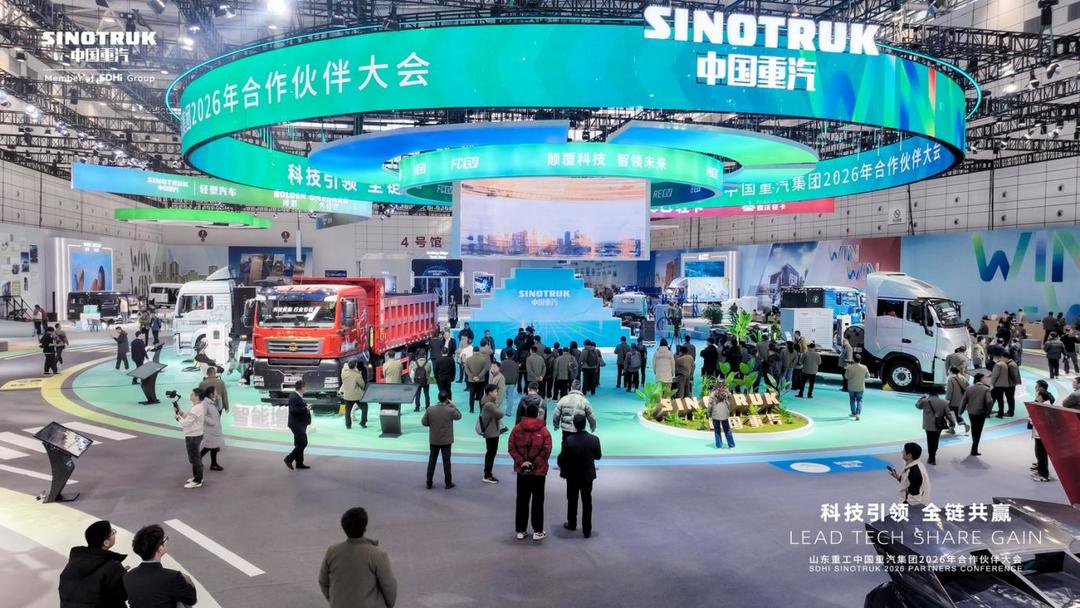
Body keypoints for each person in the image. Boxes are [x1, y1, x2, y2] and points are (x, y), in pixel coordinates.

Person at [319, 507, 397, 608]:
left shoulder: (332, 552)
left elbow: (323, 581)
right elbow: (389, 586)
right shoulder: (377, 554)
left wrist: (335, 601)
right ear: (365, 528)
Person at [123, 524, 197, 608]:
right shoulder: (173, 577)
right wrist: (186, 579)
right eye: (165, 539)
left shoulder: (128, 576)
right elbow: (191, 600)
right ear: (160, 549)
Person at [508, 403, 552, 541]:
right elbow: (546, 450)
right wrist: (535, 464)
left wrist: (522, 462)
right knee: (538, 501)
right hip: (539, 473)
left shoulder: (516, 429)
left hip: (522, 472)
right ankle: (538, 531)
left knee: (522, 500)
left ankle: (521, 530)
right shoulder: (544, 431)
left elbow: (511, 447)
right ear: (537, 414)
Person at [59, 520, 128, 608]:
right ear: (106, 543)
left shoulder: (73, 563)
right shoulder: (112, 565)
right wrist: (124, 576)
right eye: (113, 532)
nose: (115, 534)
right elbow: (123, 595)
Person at [558, 414, 602, 539]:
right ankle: (587, 529)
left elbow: (562, 458)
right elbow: (598, 456)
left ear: (574, 424)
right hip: (587, 475)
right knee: (587, 501)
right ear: (585, 424)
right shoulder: (594, 439)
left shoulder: (569, 440)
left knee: (572, 500)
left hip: (572, 475)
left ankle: (572, 523)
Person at [421, 390, 461, 489]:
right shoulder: (450, 410)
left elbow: (424, 422)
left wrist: (432, 425)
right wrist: (454, 406)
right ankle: (448, 483)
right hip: (446, 441)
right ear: (447, 399)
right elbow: (459, 416)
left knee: (432, 461)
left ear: (438, 398)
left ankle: (429, 482)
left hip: (434, 440)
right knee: (446, 462)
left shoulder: (430, 409)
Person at [176, 387, 208, 488]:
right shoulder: (196, 406)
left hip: (193, 436)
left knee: (195, 458)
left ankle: (197, 481)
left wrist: (178, 419)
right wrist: (181, 413)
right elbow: (189, 417)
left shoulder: (197, 408)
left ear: (197, 396)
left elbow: (186, 423)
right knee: (195, 457)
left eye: (192, 394)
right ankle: (197, 477)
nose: (191, 395)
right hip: (194, 434)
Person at [962, 372, 994, 456]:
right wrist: (988, 410)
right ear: (981, 379)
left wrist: (960, 411)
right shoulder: (986, 389)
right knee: (978, 430)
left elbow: (964, 400)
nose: (986, 379)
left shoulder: (969, 388)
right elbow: (989, 401)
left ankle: (974, 446)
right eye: (985, 378)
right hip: (981, 412)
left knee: (974, 428)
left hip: (971, 412)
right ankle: (974, 448)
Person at [479, 383, 505, 484]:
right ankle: (487, 475)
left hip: (490, 431)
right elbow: (500, 414)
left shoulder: (485, 400)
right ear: (490, 392)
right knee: (491, 453)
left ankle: (487, 474)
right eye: (495, 391)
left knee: (490, 453)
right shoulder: (489, 405)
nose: (497, 393)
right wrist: (497, 407)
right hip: (492, 432)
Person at [1031, 379, 1055, 482]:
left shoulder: (1045, 405)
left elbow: (1042, 419)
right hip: (1038, 432)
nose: (1036, 398)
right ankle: (1041, 470)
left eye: (1038, 396)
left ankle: (1044, 475)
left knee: (1041, 453)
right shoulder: (1043, 403)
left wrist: (1032, 419)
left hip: (1042, 433)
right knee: (1039, 452)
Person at [284, 380, 312, 470]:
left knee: (298, 443)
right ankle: (289, 459)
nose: (306, 389)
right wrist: (306, 409)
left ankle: (299, 463)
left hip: (300, 423)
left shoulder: (298, 396)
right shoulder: (294, 397)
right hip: (296, 424)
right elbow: (293, 410)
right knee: (303, 443)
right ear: (302, 388)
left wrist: (305, 408)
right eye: (305, 387)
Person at [916, 392, 949, 465]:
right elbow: (948, 414)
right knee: (936, 440)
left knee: (930, 440)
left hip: (928, 425)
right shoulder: (944, 402)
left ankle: (931, 457)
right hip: (939, 425)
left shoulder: (925, 401)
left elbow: (917, 406)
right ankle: (933, 456)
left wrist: (921, 398)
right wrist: (952, 423)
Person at [198, 385, 224, 472]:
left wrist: (219, 399)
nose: (217, 393)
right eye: (215, 392)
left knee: (213, 446)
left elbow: (219, 408)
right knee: (208, 447)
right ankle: (198, 460)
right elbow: (203, 415)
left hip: (214, 429)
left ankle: (213, 464)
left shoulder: (211, 402)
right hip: (210, 430)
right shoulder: (205, 403)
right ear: (211, 394)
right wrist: (212, 422)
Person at [340, 359, 368, 428]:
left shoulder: (343, 372)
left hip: (347, 395)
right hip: (356, 396)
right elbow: (362, 385)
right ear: (355, 365)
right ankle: (363, 422)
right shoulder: (357, 375)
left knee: (347, 411)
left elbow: (345, 366)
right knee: (364, 407)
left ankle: (348, 425)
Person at [706, 382, 734, 449]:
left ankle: (719, 446)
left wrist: (708, 413)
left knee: (717, 430)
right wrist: (728, 410)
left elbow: (710, 405)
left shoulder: (713, 393)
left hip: (715, 414)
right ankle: (731, 445)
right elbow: (730, 402)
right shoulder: (727, 393)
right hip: (725, 414)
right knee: (727, 430)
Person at [465, 345, 491, 413]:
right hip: (481, 380)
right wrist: (478, 377)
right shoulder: (483, 359)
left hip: (471, 380)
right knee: (481, 395)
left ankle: (471, 409)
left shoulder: (468, 359)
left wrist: (472, 376)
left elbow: (466, 369)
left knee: (471, 395)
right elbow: (484, 370)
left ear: (473, 351)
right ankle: (481, 410)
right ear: (478, 351)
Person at [944, 366, 970, 434]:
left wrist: (947, 400)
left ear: (951, 371)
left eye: (949, 370)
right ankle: (952, 428)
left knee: (949, 414)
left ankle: (962, 426)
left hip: (953, 401)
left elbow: (949, 391)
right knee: (956, 414)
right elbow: (968, 387)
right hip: (961, 400)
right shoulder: (963, 377)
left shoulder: (950, 379)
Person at [844, 354, 870, 420]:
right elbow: (868, 376)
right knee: (859, 400)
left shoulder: (849, 367)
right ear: (860, 360)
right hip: (860, 387)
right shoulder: (864, 367)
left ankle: (853, 413)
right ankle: (858, 414)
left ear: (853, 359)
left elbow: (846, 377)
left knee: (852, 400)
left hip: (851, 387)